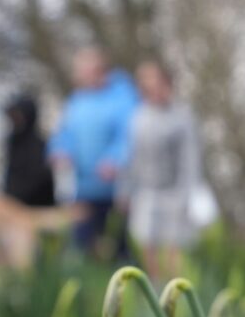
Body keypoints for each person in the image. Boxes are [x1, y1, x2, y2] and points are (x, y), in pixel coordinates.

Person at [48, 47, 139, 257]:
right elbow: (64, 134)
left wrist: (114, 159)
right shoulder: (76, 102)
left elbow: (129, 136)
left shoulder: (123, 97)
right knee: (83, 244)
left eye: (83, 71)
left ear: (100, 71)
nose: (79, 76)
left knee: (120, 247)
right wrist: (60, 151)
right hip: (83, 188)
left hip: (118, 190)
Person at [126, 60, 203, 279]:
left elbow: (190, 158)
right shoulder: (138, 117)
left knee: (173, 246)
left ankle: (174, 294)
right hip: (146, 190)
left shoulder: (182, 116)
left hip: (174, 190)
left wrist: (187, 193)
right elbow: (132, 157)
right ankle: (155, 290)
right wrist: (126, 190)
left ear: (166, 83)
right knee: (146, 243)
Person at [3, 95, 55, 207]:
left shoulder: (39, 145)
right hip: (13, 206)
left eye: (18, 116)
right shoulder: (12, 142)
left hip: (35, 208)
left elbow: (40, 180)